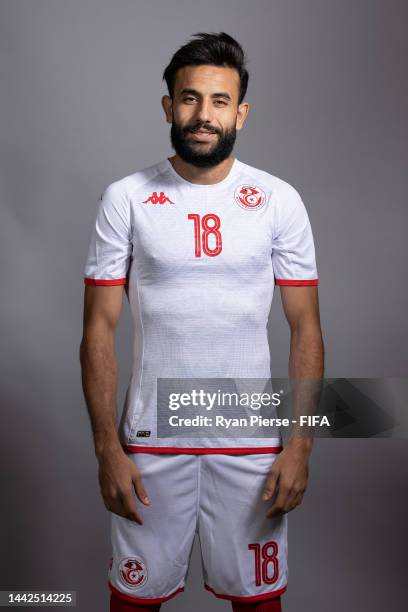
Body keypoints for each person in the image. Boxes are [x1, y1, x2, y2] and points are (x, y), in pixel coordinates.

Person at [80, 31, 324, 612]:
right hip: (150, 441)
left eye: (219, 101)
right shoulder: (127, 198)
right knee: (133, 602)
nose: (203, 115)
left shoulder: (277, 200)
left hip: (252, 440)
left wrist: (301, 446)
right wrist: (106, 451)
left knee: (258, 603)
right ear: (169, 107)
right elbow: (97, 332)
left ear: (240, 113)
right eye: (189, 99)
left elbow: (306, 329)